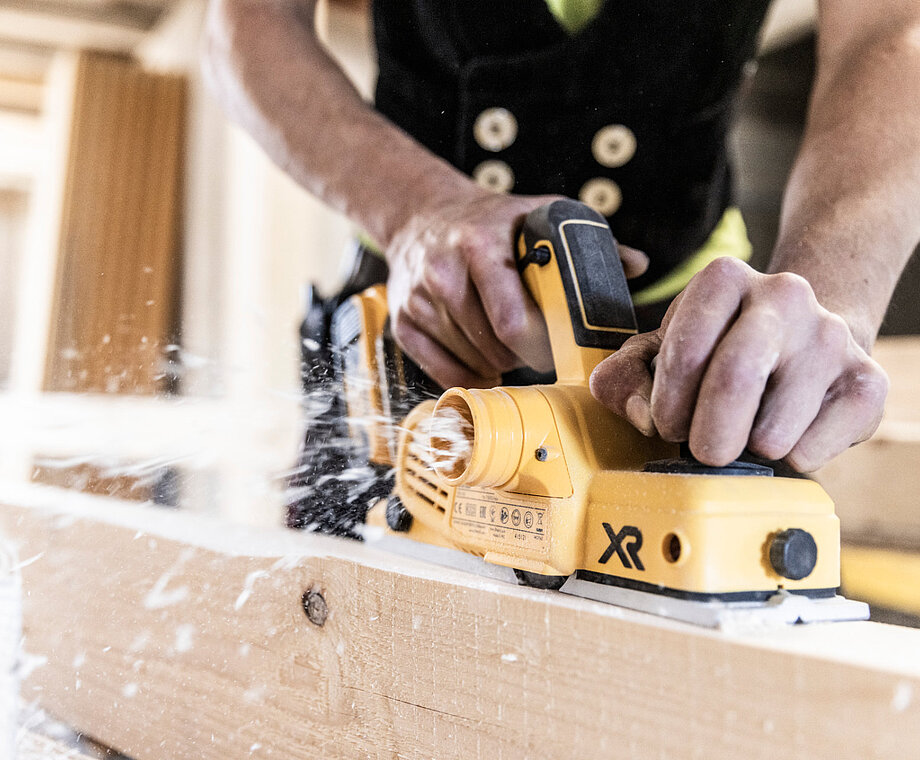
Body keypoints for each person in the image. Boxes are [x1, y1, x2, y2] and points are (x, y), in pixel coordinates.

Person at [204, 0, 920, 473]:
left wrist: (822, 313)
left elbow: (889, 34)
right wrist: (416, 210)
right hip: (417, 337)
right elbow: (247, 24)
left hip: (684, 354)